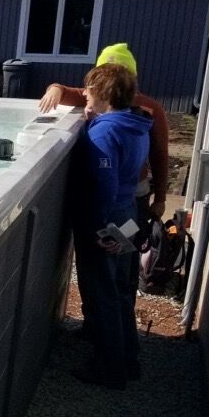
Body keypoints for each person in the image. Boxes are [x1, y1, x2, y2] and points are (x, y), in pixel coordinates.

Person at [70, 63, 151, 390]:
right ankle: (128, 359)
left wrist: (99, 229)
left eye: (89, 88)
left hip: (109, 216)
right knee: (119, 290)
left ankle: (109, 369)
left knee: (102, 291)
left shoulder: (105, 131)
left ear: (102, 93)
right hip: (130, 212)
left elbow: (104, 184)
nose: (85, 93)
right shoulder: (138, 124)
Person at [39, 43, 170, 223]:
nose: (85, 94)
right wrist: (55, 89)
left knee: (123, 238)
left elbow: (160, 154)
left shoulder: (149, 109)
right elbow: (66, 91)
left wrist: (161, 199)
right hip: (125, 198)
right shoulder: (100, 100)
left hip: (131, 192)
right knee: (126, 238)